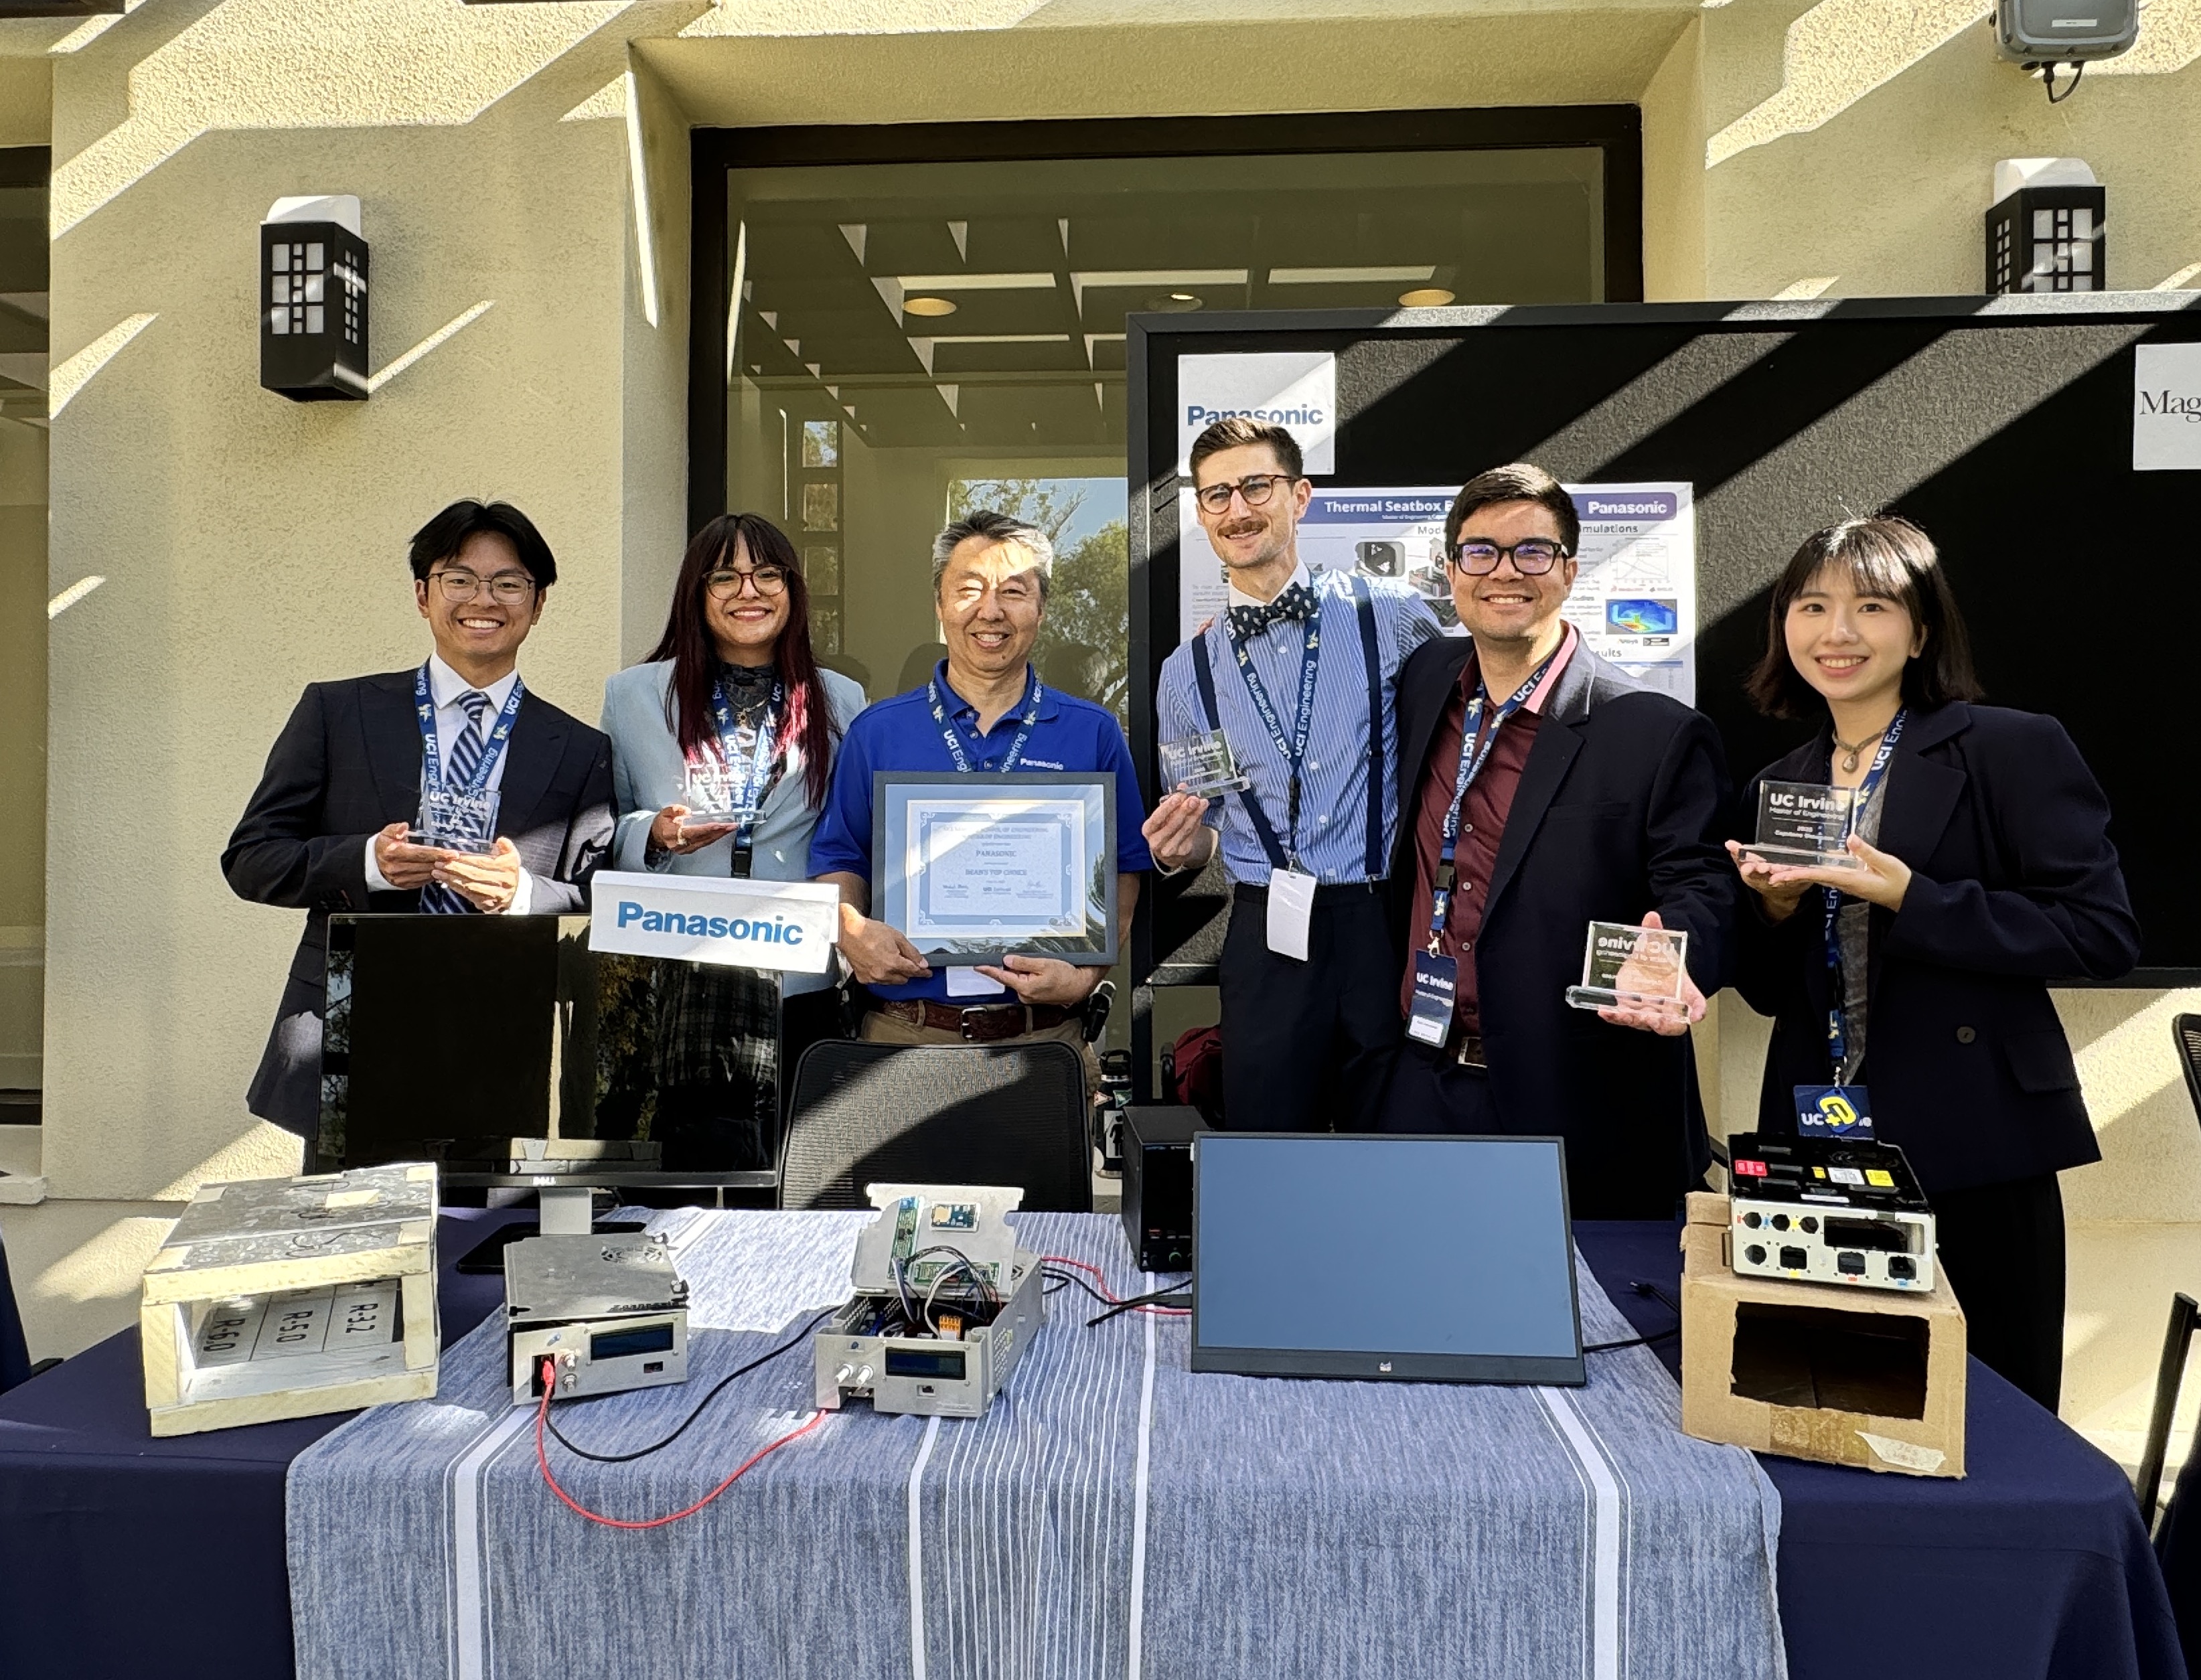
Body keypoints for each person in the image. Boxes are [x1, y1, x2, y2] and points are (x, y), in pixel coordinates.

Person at [1728, 516, 2137, 1411]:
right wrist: (1773, 907)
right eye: (1812, 606)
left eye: (1869, 606)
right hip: (1820, 1142)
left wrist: (1913, 895)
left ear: (1917, 631)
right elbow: (1768, 990)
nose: (1836, 633)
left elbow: (2099, 932)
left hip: (1971, 1143)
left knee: (1990, 1412)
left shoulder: (2006, 748)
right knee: (1822, 1401)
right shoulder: (1780, 783)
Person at [1378, 463, 1737, 1219]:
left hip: (1577, 1105)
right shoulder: (1423, 683)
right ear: (1450, 572)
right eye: (1480, 552)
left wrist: (1674, 960)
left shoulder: (1650, 731)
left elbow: (1700, 884)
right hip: (1422, 1087)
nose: (1504, 572)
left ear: (1568, 571)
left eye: (1531, 552)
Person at [224, 500, 615, 1154]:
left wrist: (519, 896)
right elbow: (252, 858)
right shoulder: (337, 712)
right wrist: (365, 863)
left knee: (486, 1247)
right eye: (458, 579)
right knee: (355, 1249)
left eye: (508, 582)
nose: (481, 599)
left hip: (502, 1039)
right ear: (422, 594)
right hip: (353, 1027)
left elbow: (601, 901)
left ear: (537, 602)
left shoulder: (580, 749)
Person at [1146, 417, 1441, 1134]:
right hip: (1266, 926)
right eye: (1217, 495)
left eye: (1255, 486)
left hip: (1381, 918)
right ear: (1200, 515)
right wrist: (1178, 849)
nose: (1237, 510)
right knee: (1268, 1141)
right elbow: (1203, 825)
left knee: (1393, 1137)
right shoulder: (1185, 675)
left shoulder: (1394, 617)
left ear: (1299, 496)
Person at [809, 509, 1150, 1072]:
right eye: (968, 589)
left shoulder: (1092, 732)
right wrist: (852, 934)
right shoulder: (879, 731)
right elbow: (841, 857)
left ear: (1041, 607)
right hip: (905, 1037)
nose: (989, 610)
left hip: (1045, 1041)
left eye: (1013, 591)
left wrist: (1085, 975)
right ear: (940, 605)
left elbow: (1123, 871)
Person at [599, 514, 866, 1171]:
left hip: (800, 981)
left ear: (792, 590)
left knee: (801, 1183)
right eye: (725, 576)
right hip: (684, 980)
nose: (748, 590)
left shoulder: (840, 697)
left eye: (766, 574)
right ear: (697, 590)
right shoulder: (633, 694)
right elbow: (599, 831)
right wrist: (654, 833)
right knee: (686, 1183)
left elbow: (855, 834)